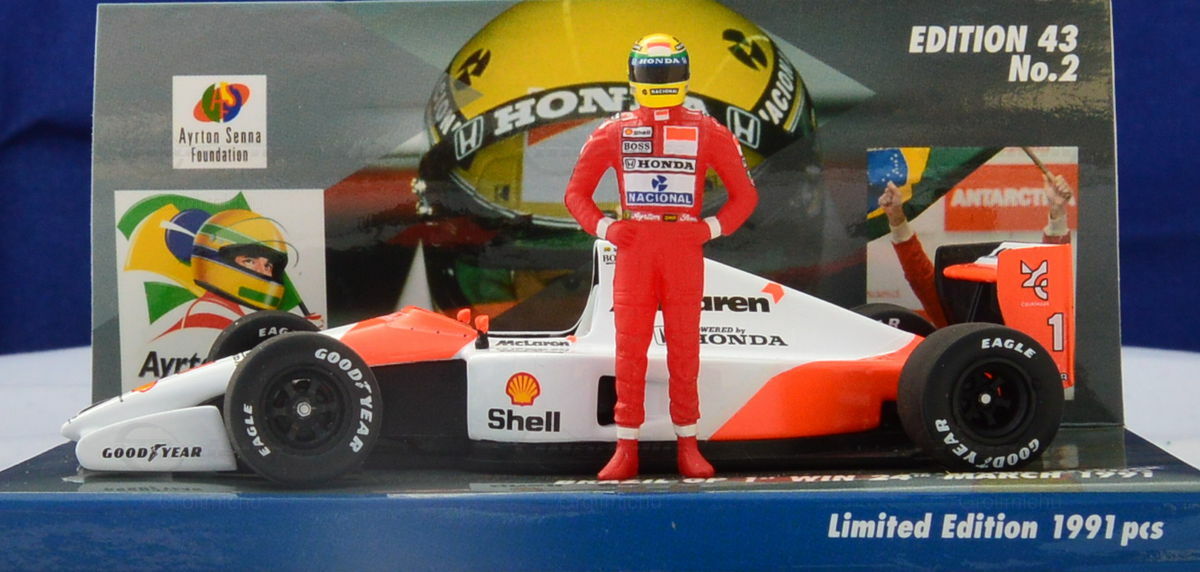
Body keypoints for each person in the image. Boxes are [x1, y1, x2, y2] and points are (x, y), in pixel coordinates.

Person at [564, 33, 758, 480]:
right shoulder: (614, 131)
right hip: (635, 250)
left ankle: (688, 445)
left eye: (667, 73)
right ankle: (625, 448)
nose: (659, 82)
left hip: (682, 250)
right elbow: (576, 194)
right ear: (634, 78)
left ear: (684, 76)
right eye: (651, 74)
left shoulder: (708, 130)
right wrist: (608, 228)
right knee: (628, 352)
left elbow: (745, 196)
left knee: (685, 352)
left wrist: (708, 229)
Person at [877, 172, 1073, 327]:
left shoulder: (1029, 312)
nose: (983, 292)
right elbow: (919, 277)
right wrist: (897, 219)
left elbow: (1050, 275)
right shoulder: (950, 315)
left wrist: (1057, 211)